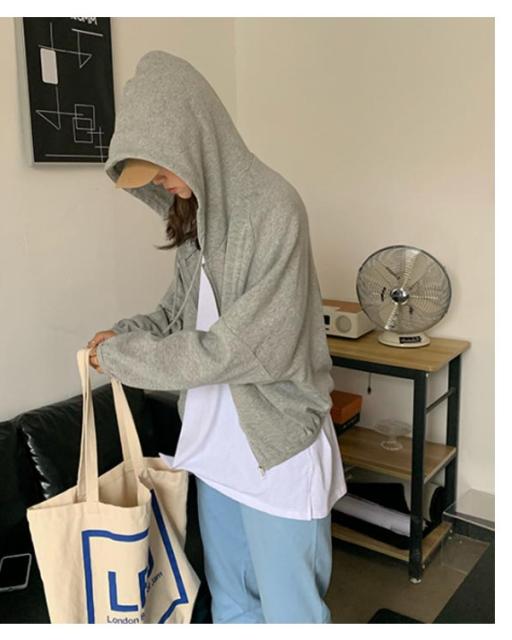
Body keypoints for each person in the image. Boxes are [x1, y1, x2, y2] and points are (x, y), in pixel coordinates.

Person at [86, 50, 347, 624]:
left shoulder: (275, 209)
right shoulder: (200, 217)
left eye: (163, 168)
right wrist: (125, 335)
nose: (162, 184)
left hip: (276, 452)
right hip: (215, 450)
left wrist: (130, 358)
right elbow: (180, 312)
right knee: (230, 608)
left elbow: (245, 348)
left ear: (194, 137)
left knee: (293, 615)